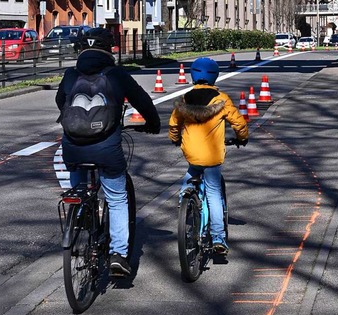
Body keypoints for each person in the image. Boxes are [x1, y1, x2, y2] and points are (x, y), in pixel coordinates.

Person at [56, 27, 160, 276]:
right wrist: (153, 125)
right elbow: (142, 100)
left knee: (78, 189)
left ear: (81, 49)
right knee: (116, 197)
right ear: (110, 48)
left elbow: (61, 102)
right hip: (107, 150)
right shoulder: (116, 74)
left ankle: (80, 217)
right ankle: (119, 255)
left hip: (73, 148)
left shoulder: (71, 74)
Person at [168, 57, 248, 255]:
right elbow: (238, 123)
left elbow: (173, 125)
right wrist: (242, 138)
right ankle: (219, 237)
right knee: (213, 193)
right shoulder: (222, 99)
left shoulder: (184, 99)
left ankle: (184, 206)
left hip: (192, 155)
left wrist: (175, 139)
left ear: (193, 74)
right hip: (212, 156)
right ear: (214, 75)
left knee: (189, 178)